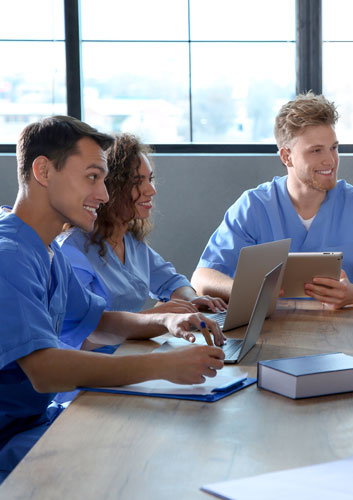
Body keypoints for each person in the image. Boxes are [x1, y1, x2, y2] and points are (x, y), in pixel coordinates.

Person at [0, 116, 225, 483]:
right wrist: (161, 367)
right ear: (43, 170)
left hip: (36, 423)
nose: (103, 195)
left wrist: (165, 320)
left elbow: (99, 321)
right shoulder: (9, 255)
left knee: (160, 434)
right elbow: (45, 372)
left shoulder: (45, 252)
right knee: (144, 457)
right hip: (9, 441)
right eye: (92, 177)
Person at [192, 92, 353, 308]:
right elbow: (202, 279)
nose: (330, 160)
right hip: (269, 332)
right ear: (286, 156)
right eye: (316, 151)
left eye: (334, 148)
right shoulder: (254, 206)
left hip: (342, 334)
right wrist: (252, 291)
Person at [57, 134, 226, 347]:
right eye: (138, 182)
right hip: (96, 363)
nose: (151, 190)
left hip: (130, 350)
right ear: (109, 187)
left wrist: (191, 300)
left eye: (150, 179)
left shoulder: (132, 242)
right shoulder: (72, 251)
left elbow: (170, 282)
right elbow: (86, 333)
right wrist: (159, 316)